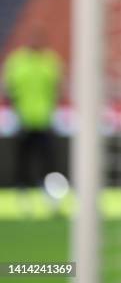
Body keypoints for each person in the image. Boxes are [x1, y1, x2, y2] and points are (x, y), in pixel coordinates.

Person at [3, 26, 62, 199]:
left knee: (48, 160)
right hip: (23, 120)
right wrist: (15, 111)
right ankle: (22, 190)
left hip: (44, 120)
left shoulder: (50, 61)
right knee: (23, 159)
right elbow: (8, 88)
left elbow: (57, 87)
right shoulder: (17, 61)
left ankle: (50, 192)